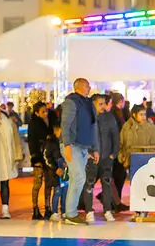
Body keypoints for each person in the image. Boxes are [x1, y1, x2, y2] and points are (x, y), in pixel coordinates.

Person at [60, 78, 100, 225]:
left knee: (75, 179)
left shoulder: (88, 104)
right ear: (81, 87)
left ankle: (69, 212)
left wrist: (95, 148)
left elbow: (93, 127)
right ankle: (71, 214)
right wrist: (67, 145)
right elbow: (65, 124)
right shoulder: (71, 102)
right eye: (88, 86)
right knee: (79, 178)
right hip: (73, 145)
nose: (89, 88)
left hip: (83, 146)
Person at [81, 94, 119, 223]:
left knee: (106, 184)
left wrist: (113, 153)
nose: (103, 106)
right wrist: (87, 153)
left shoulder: (109, 117)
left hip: (106, 157)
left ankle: (107, 210)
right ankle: (89, 211)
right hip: (91, 158)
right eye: (100, 104)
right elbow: (82, 137)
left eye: (104, 103)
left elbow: (115, 135)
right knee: (89, 184)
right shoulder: (86, 118)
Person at [119, 104, 155, 171]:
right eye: (141, 114)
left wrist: (147, 156)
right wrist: (122, 156)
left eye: (145, 114)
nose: (143, 117)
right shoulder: (127, 127)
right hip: (129, 163)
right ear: (134, 115)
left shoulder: (151, 128)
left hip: (146, 164)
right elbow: (120, 143)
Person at [28, 102, 52, 219]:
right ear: (36, 113)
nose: (45, 113)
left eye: (46, 111)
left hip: (49, 155)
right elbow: (32, 142)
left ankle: (48, 207)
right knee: (37, 183)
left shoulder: (49, 121)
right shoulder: (34, 123)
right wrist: (35, 157)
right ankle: (35, 208)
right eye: (43, 111)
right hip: (39, 156)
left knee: (49, 182)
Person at [44, 125, 67, 222]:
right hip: (55, 172)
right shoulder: (51, 142)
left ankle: (64, 211)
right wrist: (55, 168)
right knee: (57, 191)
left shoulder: (64, 141)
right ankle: (54, 212)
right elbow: (47, 157)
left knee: (65, 191)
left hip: (65, 171)